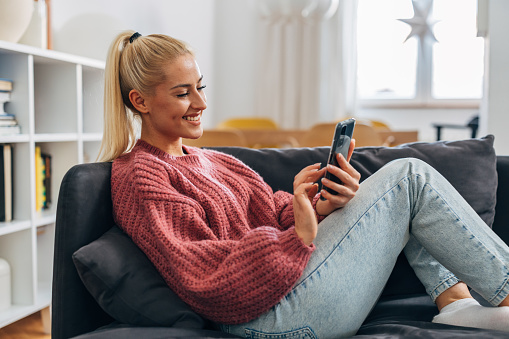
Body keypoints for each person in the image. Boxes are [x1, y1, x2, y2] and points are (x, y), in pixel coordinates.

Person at [98, 31, 509, 338]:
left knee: (390, 193)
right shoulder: (140, 177)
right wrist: (298, 234)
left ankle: (455, 304)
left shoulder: (213, 160)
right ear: (140, 101)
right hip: (269, 318)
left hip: (288, 290)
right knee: (410, 176)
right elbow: (206, 278)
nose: (201, 103)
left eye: (200, 87)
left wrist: (315, 203)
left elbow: (271, 215)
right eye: (183, 93)